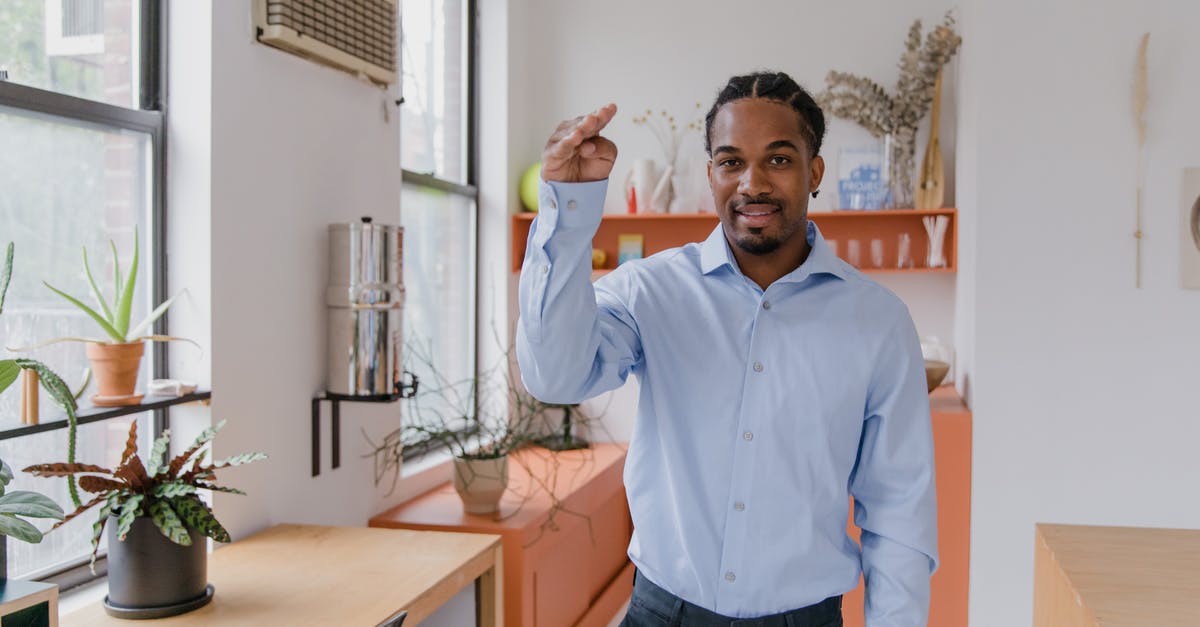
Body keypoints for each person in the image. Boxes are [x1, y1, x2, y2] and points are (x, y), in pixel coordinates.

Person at [516, 71, 937, 627]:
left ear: (814, 173)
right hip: (658, 614)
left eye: (779, 160)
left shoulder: (878, 323)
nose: (752, 183)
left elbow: (899, 511)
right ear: (711, 172)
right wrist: (566, 210)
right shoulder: (650, 291)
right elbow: (556, 377)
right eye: (731, 161)